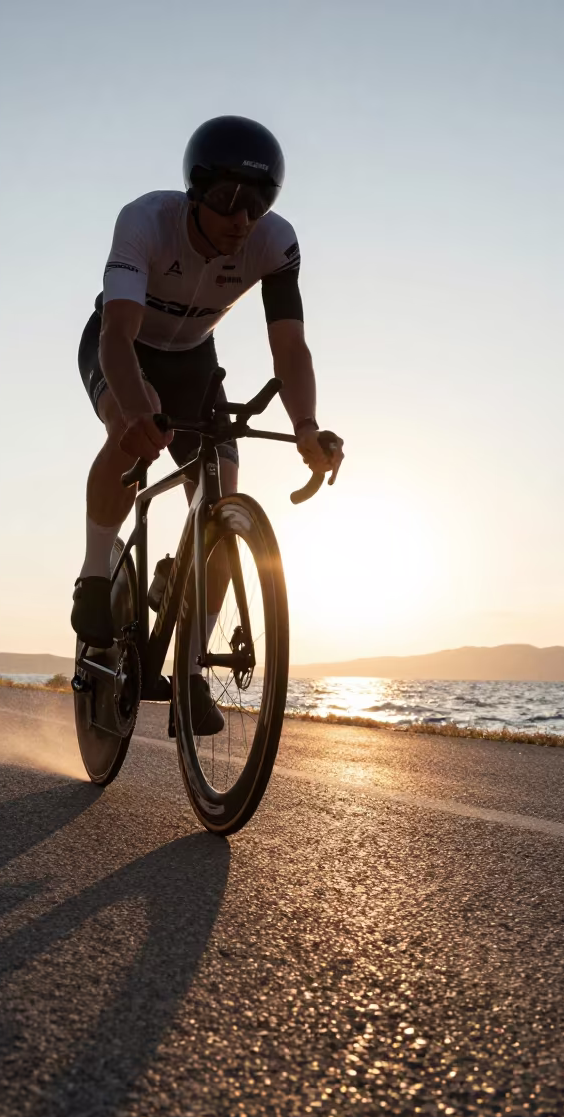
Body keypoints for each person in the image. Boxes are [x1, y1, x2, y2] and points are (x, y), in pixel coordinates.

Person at [72, 115, 344, 733]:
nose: (241, 219)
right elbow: (118, 334)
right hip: (126, 344)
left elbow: (291, 350)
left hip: (195, 356)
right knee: (126, 428)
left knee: (220, 482)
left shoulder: (276, 244)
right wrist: (138, 415)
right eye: (226, 200)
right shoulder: (145, 220)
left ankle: (189, 670)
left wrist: (306, 426)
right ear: (194, 191)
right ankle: (94, 575)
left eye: (257, 203)